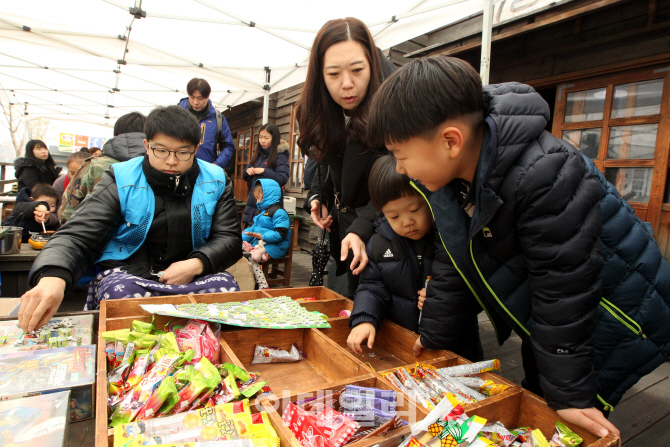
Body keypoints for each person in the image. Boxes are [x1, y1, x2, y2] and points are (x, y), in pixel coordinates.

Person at [367, 56, 670, 439]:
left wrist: (569, 392)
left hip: (614, 317)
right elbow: (456, 260)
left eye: (400, 154)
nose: (400, 169)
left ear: (450, 141)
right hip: (545, 319)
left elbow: (564, 288)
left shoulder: (543, 173)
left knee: (567, 419)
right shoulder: (451, 180)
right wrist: (434, 334)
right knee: (538, 397)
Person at [19, 105, 242, 331]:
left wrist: (196, 264)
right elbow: (78, 235)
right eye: (161, 150)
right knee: (119, 294)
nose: (172, 161)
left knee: (228, 287)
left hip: (192, 276)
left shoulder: (216, 179)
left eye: (183, 152)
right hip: (131, 276)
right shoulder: (122, 177)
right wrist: (53, 276)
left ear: (196, 149)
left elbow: (229, 239)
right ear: (147, 146)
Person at [297, 17, 396, 297]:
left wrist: (362, 227)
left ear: (372, 66)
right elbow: (325, 162)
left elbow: (400, 177)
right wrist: (319, 197)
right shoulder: (319, 109)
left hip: (390, 230)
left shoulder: (393, 107)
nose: (347, 84)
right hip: (346, 232)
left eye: (357, 70)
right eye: (333, 74)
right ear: (319, 75)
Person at [59, 112, 147, 223]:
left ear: (117, 135)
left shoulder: (93, 165)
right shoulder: (163, 166)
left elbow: (67, 211)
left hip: (94, 234)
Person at [178, 78, 235, 175]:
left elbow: (229, 146)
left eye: (200, 98)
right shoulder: (176, 114)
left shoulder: (218, 119)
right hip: (178, 169)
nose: (195, 102)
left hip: (205, 172)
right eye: (192, 97)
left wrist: (217, 165)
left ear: (208, 96)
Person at [242, 179, 291, 289]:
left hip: (276, 246)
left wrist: (262, 236)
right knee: (240, 250)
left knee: (252, 257)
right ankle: (250, 278)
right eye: (256, 198)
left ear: (268, 196)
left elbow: (280, 233)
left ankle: (262, 284)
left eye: (259, 198)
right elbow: (252, 228)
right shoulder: (261, 213)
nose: (257, 201)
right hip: (261, 243)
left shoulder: (279, 212)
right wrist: (239, 237)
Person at [242, 123, 289, 226]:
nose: (262, 141)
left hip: (270, 207)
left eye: (266, 138)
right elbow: (244, 176)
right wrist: (247, 171)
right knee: (248, 238)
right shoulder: (258, 155)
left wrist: (263, 171)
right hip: (253, 203)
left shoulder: (280, 156)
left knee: (264, 237)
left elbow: (282, 178)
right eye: (260, 137)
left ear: (274, 138)